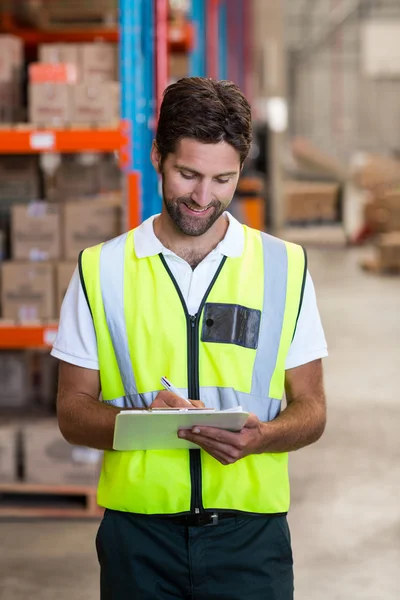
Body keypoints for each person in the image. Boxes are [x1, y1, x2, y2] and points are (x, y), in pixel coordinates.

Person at [52, 77, 328, 600]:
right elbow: (71, 412)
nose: (204, 198)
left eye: (223, 178)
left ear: (242, 168)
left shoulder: (284, 267)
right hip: (139, 538)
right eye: (188, 174)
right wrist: (138, 423)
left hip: (252, 538)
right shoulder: (101, 270)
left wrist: (262, 439)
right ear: (158, 156)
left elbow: (312, 408)